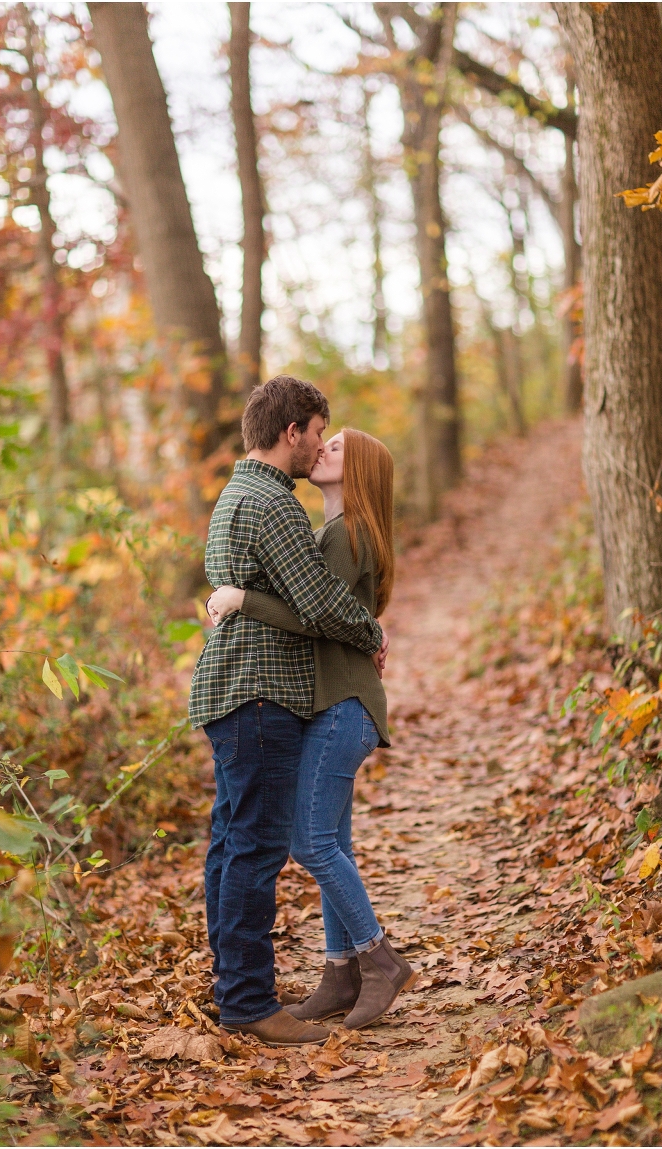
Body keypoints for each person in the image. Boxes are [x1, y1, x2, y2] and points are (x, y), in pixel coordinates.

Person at [189, 375, 387, 1048]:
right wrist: (371, 631)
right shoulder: (272, 503)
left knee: (231, 844)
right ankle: (248, 1002)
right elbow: (322, 603)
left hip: (236, 693)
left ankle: (235, 989)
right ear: (292, 431)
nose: (319, 447)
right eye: (318, 432)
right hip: (259, 694)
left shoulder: (238, 492)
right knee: (254, 849)